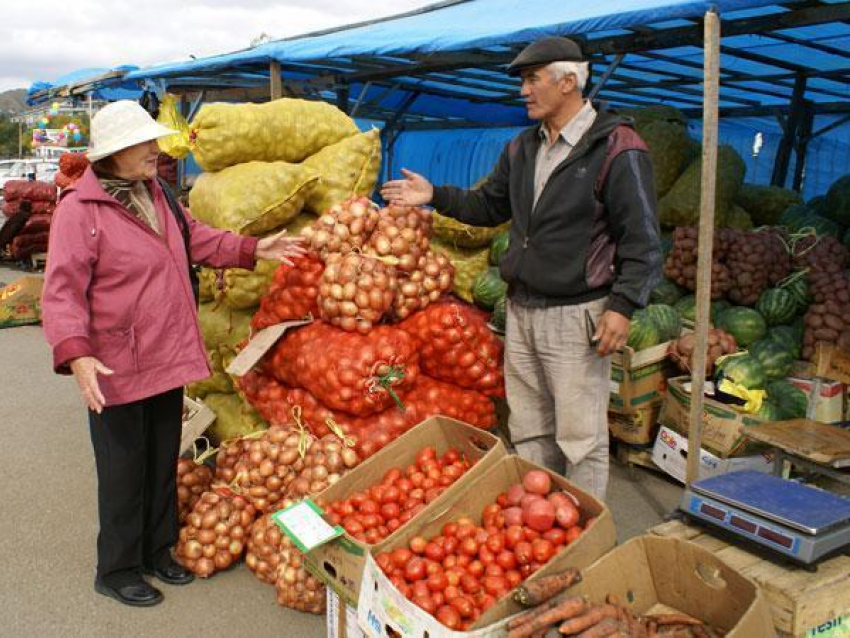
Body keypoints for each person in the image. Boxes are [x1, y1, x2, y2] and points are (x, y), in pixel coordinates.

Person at [41, 100, 306, 607]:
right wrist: (76, 354)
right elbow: (62, 291)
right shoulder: (80, 211)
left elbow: (196, 239)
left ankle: (158, 551)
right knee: (124, 469)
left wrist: (254, 250)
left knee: (162, 459)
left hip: (166, 352)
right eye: (145, 143)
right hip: (115, 363)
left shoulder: (156, 193)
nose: (156, 151)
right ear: (115, 153)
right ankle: (117, 568)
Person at [382, 37, 662, 500]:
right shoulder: (523, 148)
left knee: (580, 435)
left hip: (578, 314)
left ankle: (583, 529)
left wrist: (623, 304)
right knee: (530, 427)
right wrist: (436, 196)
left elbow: (643, 239)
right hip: (522, 308)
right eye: (523, 81)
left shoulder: (617, 147)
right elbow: (489, 205)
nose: (523, 91)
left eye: (532, 79)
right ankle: (540, 522)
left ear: (568, 82)